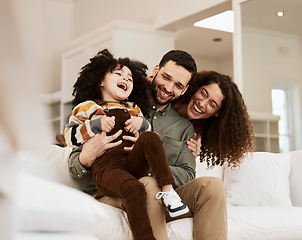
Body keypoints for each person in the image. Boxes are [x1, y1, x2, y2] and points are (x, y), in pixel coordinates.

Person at [68, 50, 229, 240]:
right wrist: (86, 156)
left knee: (213, 186)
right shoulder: (121, 103)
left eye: (177, 85)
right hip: (118, 192)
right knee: (148, 184)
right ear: (156, 70)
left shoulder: (183, 127)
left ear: (184, 90)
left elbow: (187, 173)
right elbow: (74, 164)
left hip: (163, 197)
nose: (168, 88)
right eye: (166, 77)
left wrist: (150, 161)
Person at [172, 70, 254, 168]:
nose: (201, 104)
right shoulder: (171, 99)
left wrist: (187, 157)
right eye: (203, 93)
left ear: (217, 113)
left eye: (212, 104)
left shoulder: (196, 127)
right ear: (196, 88)